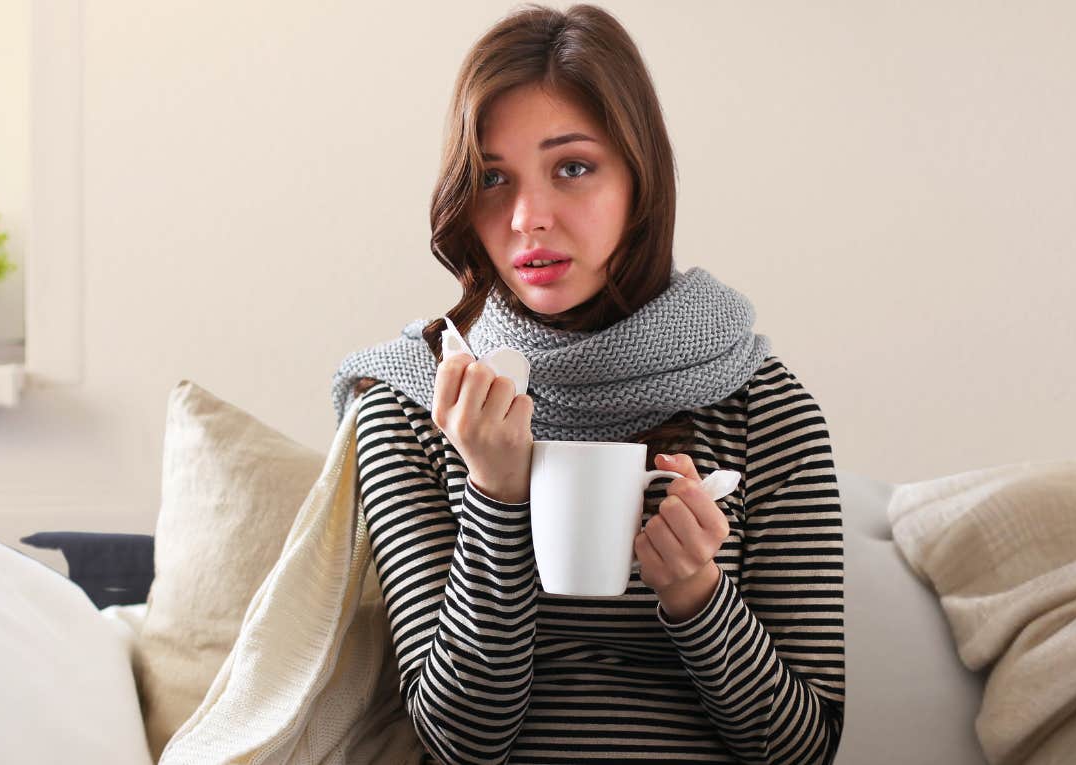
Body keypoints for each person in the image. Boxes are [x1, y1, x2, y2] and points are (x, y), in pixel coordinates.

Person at [330, 5, 844, 763]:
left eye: (572, 167)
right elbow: (460, 742)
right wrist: (495, 494)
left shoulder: (763, 407)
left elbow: (804, 750)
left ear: (641, 178)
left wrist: (698, 596)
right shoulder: (415, 403)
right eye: (494, 179)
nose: (528, 219)